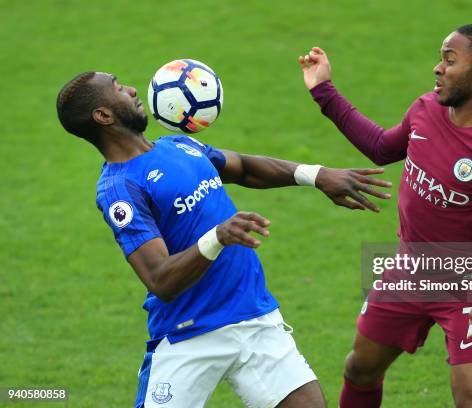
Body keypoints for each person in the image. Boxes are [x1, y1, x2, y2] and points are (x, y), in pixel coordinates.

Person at [56, 71, 393, 408]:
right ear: (103, 115)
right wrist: (216, 237)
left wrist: (316, 175)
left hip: (254, 316)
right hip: (189, 334)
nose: (131, 88)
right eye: (118, 87)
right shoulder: (120, 189)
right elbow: (160, 278)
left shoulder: (179, 144)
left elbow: (243, 168)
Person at [299, 24, 472, 407]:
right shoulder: (425, 109)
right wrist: (323, 90)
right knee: (360, 369)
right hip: (408, 271)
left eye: (450, 60)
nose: (438, 68)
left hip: (470, 287)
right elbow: (381, 147)